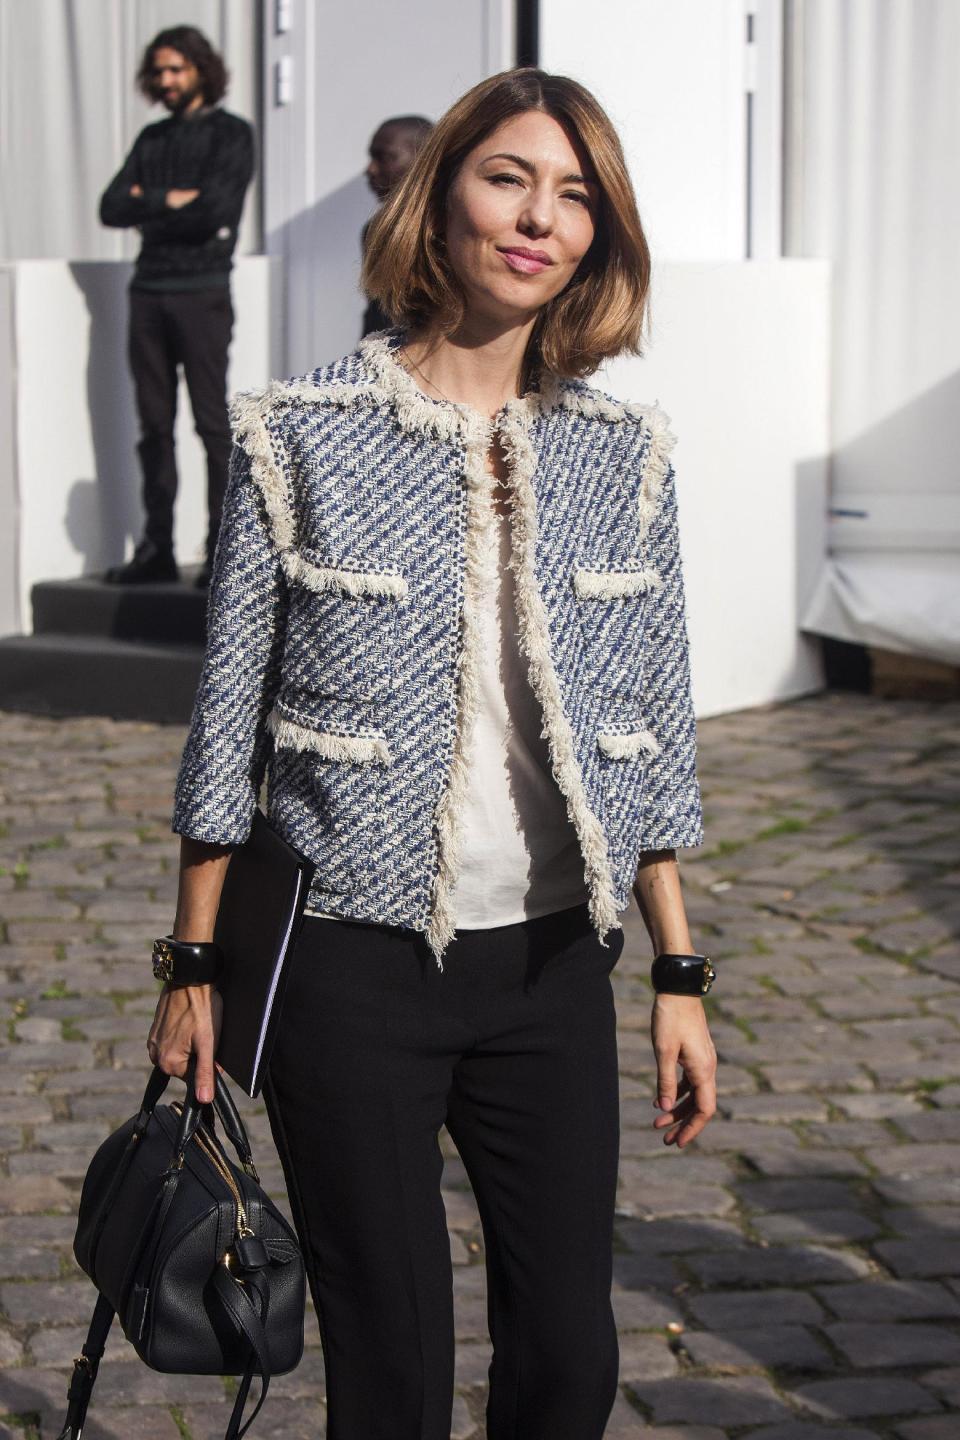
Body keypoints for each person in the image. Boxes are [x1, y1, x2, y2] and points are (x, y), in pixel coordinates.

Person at [149, 67, 718, 1440]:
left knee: (569, 1359)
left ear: (602, 236)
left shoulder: (621, 454)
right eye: (510, 177)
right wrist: (189, 969)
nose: (540, 219)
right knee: (391, 1367)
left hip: (549, 967)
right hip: (351, 970)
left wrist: (680, 972)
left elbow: (651, 728)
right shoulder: (300, 436)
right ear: (441, 192)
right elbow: (227, 721)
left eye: (577, 196)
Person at [99, 25, 254, 587]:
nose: (166, 81)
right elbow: (111, 207)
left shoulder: (232, 135)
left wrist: (150, 205)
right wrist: (170, 199)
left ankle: (220, 551)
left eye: (176, 70)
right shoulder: (152, 140)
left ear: (200, 71)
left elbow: (216, 209)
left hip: (203, 292)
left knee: (212, 424)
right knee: (153, 426)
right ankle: (156, 548)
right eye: (159, 71)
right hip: (148, 293)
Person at [361, 115, 433, 335]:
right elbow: (377, 314)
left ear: (423, 159)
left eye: (384, 157)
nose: (370, 170)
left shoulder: (446, 232)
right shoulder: (374, 229)